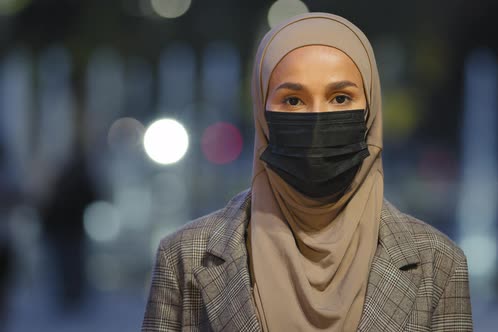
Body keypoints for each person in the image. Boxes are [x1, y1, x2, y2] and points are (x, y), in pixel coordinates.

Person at [142, 12, 472, 332]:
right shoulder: (184, 256)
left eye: (340, 98)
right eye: (293, 100)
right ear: (262, 111)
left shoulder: (437, 262)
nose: (317, 118)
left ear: (370, 109)